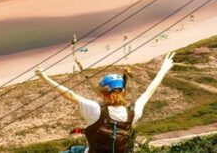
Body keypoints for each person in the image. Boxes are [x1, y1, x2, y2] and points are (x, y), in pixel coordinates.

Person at [35, 52, 176, 153]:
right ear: (123, 92)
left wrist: (44, 77)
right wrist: (163, 70)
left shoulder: (95, 110)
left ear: (103, 92)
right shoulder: (133, 113)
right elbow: (148, 93)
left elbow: (70, 94)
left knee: (72, 150)